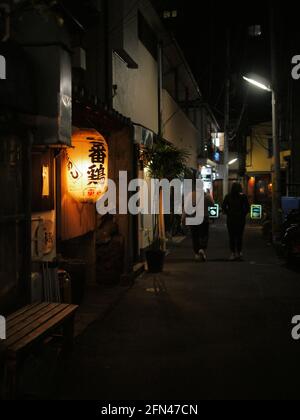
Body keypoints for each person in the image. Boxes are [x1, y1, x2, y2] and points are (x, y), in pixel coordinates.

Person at [183, 184, 214, 262]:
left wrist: (184, 217)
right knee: (204, 235)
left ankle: (197, 252)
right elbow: (212, 204)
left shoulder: (190, 196)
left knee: (195, 236)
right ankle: (202, 249)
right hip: (204, 219)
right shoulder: (207, 196)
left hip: (193, 219)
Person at [222, 182, 250, 261]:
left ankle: (233, 253)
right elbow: (247, 207)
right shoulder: (243, 197)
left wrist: (228, 213)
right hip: (240, 219)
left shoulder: (228, 196)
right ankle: (239, 252)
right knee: (239, 236)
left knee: (231, 236)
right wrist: (243, 214)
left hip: (231, 219)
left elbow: (223, 206)